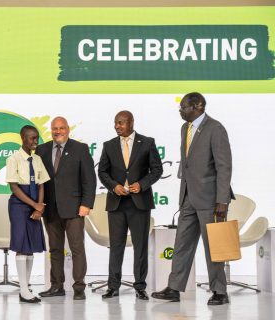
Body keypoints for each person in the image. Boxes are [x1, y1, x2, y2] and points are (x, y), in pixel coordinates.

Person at [152, 92, 234, 305]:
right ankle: (174, 288)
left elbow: (224, 166)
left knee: (213, 247)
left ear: (198, 106)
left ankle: (219, 291)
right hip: (188, 197)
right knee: (181, 244)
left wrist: (222, 200)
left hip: (210, 199)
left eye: (184, 107)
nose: (180, 111)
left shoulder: (215, 128)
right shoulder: (184, 128)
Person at [98, 111, 163, 300]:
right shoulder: (109, 145)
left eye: (121, 123)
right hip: (116, 204)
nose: (117, 126)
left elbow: (157, 169)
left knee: (140, 246)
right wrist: (113, 186)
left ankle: (140, 286)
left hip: (139, 203)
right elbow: (102, 172)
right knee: (116, 246)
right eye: (115, 123)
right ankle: (113, 286)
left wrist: (142, 184)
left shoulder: (147, 142)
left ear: (131, 122)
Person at [35, 116, 96, 300]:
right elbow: (39, 180)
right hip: (51, 209)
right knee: (54, 249)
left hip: (75, 209)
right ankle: (56, 286)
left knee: (77, 248)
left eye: (61, 128)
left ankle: (79, 287)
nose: (58, 131)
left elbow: (89, 179)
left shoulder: (80, 149)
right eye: (54, 128)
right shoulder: (42, 150)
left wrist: (86, 204)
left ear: (68, 129)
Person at [6, 125, 50, 303]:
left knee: (31, 245)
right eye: (32, 138)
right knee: (22, 244)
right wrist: (34, 205)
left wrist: (39, 207)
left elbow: (41, 184)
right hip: (19, 204)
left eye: (37, 138)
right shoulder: (13, 159)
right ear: (23, 138)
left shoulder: (37, 159)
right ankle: (23, 289)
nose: (35, 141)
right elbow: (14, 187)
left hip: (34, 203)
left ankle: (27, 285)